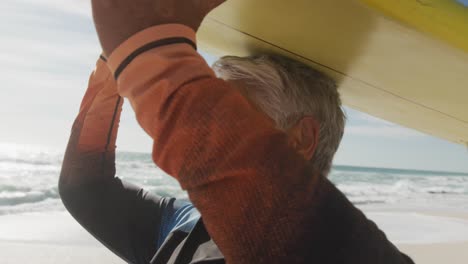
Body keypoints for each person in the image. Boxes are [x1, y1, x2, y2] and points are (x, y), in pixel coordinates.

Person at [59, 1, 415, 263]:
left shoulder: (340, 248)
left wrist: (140, 48)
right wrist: (111, 72)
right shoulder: (184, 222)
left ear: (300, 139)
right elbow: (86, 189)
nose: (203, 125)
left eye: (231, 114)